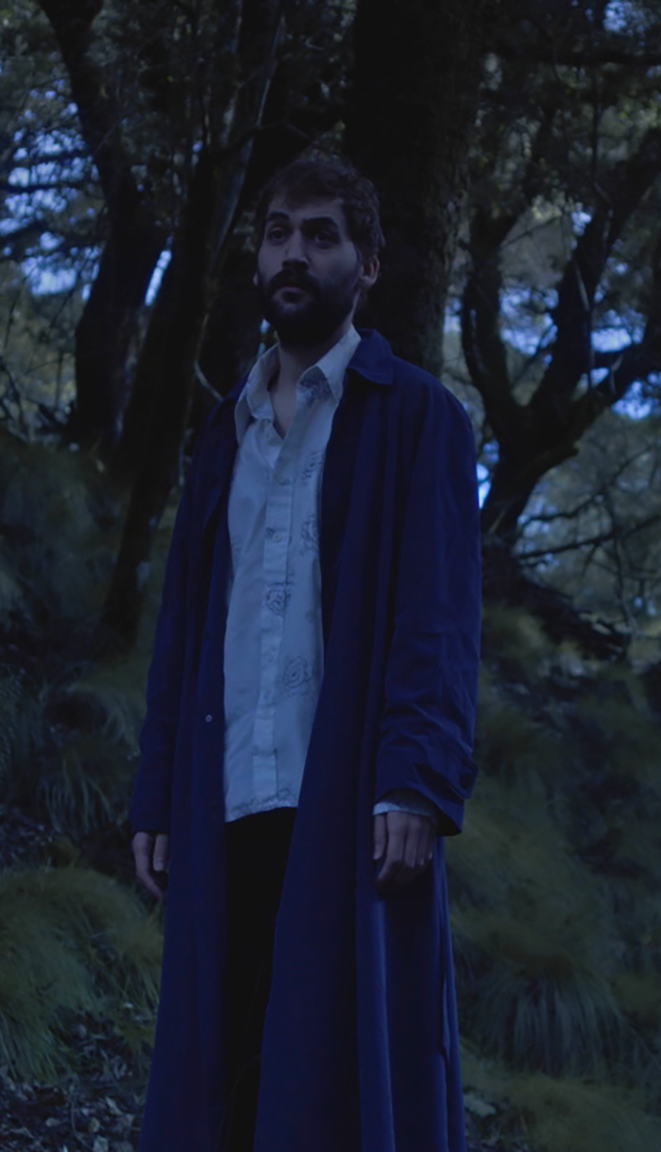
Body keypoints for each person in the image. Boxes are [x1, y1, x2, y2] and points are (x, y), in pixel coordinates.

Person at [128, 155, 480, 1152]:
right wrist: (157, 793)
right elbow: (185, 630)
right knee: (223, 1081)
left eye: (322, 235)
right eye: (278, 232)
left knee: (337, 1086)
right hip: (224, 798)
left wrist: (414, 778)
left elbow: (439, 617)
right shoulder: (222, 433)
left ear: (366, 265)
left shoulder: (417, 417)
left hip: (349, 805)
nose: (294, 253)